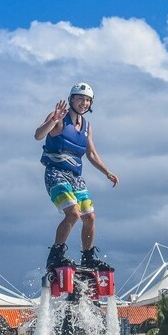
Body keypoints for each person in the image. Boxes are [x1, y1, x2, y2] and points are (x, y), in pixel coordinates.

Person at [35, 82, 119, 270]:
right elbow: (38, 135)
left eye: (88, 100)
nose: (84, 103)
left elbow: (91, 154)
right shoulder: (59, 117)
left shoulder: (87, 126)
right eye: (80, 98)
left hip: (75, 177)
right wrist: (53, 120)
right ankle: (56, 254)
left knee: (90, 217)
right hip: (55, 173)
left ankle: (87, 256)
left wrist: (107, 172)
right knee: (73, 213)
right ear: (71, 99)